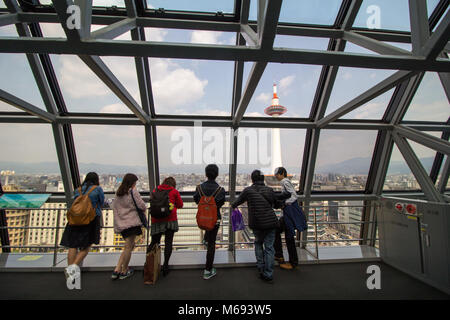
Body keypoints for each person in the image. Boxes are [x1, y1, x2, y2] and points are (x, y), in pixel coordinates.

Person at [231, 170, 279, 283]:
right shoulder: (269, 190)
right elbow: (276, 204)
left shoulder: (248, 191)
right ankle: (269, 273)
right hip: (271, 222)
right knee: (269, 248)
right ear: (263, 179)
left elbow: (235, 203)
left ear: (252, 179)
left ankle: (260, 267)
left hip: (257, 223)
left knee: (258, 243)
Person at [61, 172, 105, 285]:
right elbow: (101, 202)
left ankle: (70, 270)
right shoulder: (97, 189)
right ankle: (74, 267)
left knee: (73, 246)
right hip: (90, 220)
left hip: (74, 220)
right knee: (86, 246)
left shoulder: (78, 189)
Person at [111, 173, 147, 280]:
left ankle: (117, 269)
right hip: (132, 222)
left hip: (122, 223)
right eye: (135, 182)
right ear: (132, 183)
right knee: (128, 247)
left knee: (128, 246)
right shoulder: (132, 192)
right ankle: (124, 270)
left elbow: (115, 208)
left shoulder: (118, 193)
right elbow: (142, 206)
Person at [193, 164, 226, 280]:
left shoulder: (199, 188)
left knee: (208, 235)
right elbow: (220, 203)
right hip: (215, 218)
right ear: (217, 175)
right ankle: (208, 270)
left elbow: (196, 199)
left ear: (206, 174)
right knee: (212, 243)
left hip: (202, 217)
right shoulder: (220, 190)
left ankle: (205, 239)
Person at [273, 167, 308, 270]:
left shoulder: (284, 181)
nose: (276, 176)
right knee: (287, 237)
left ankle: (289, 260)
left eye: (277, 174)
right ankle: (286, 258)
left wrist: (284, 203)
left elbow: (293, 195)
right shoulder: (285, 182)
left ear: (283, 173)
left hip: (288, 215)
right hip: (287, 215)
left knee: (284, 234)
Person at [148, 177, 183, 277]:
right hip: (170, 220)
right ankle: (165, 266)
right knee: (168, 243)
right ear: (173, 184)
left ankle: (149, 265)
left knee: (154, 242)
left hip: (156, 220)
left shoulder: (155, 190)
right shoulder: (174, 191)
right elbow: (180, 205)